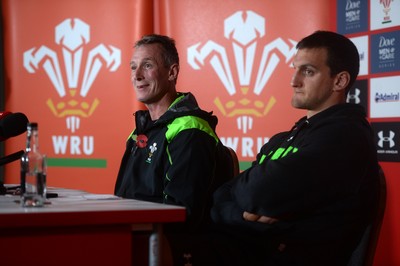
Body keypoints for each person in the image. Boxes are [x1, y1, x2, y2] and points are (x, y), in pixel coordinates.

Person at [210, 31, 380, 266]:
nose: (294, 81)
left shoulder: (346, 137)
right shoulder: (283, 139)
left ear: (339, 81)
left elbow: (256, 192)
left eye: (308, 71)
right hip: (246, 249)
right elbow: (220, 196)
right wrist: (239, 215)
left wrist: (240, 204)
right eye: (295, 69)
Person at [114, 34, 233, 264]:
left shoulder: (190, 130)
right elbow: (123, 198)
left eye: (147, 66)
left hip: (171, 248)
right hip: (138, 239)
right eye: (133, 67)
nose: (137, 75)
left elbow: (180, 215)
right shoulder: (141, 131)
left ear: (172, 72)